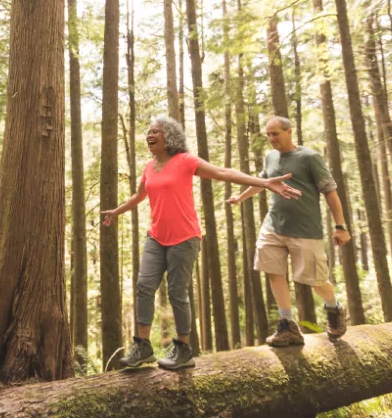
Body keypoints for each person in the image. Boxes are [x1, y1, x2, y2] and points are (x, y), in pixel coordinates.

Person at [101, 116, 300, 370]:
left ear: (169, 136)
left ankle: (183, 349)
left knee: (176, 291)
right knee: (144, 286)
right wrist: (117, 211)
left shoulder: (185, 161)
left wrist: (263, 182)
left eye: (155, 132)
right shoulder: (149, 167)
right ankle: (142, 345)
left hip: (184, 238)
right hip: (156, 237)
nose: (149, 135)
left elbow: (222, 172)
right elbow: (139, 195)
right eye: (148, 132)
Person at [227, 116, 349, 347]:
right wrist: (241, 197)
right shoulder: (270, 157)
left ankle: (333, 308)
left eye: (276, 134)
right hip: (273, 226)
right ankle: (288, 325)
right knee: (273, 271)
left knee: (315, 280)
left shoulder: (309, 158)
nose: (272, 139)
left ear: (289, 132)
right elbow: (263, 182)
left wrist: (340, 226)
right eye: (268, 135)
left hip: (305, 230)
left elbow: (330, 192)